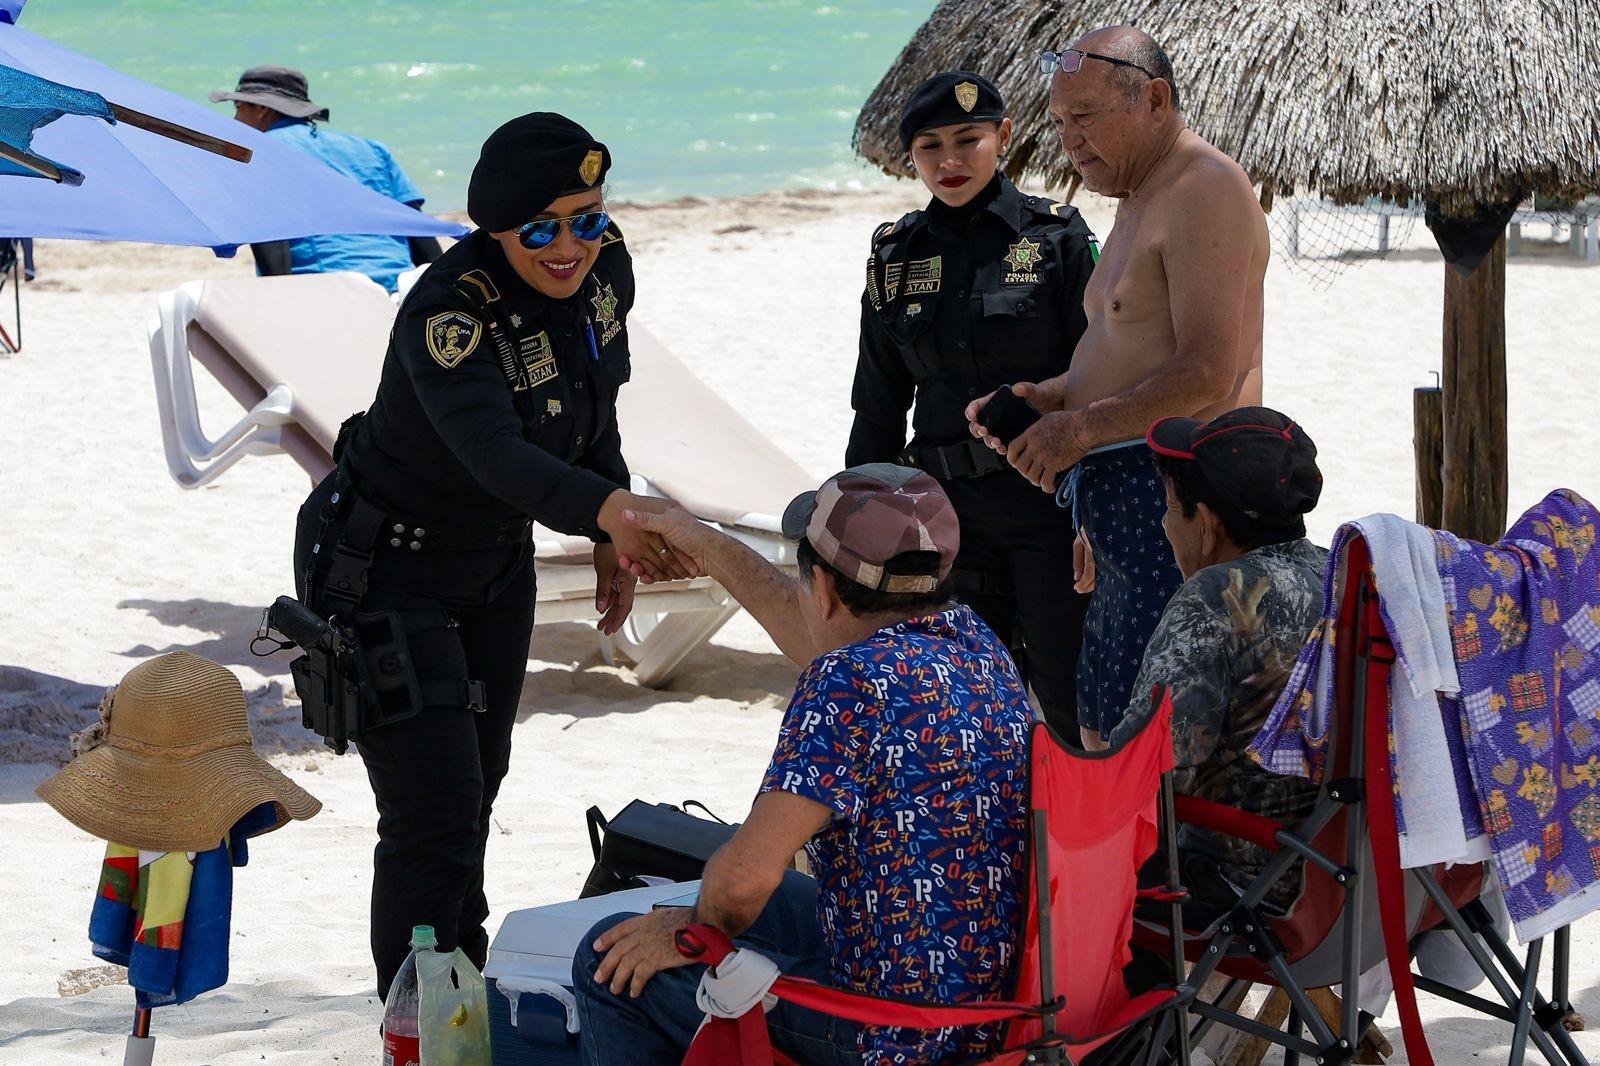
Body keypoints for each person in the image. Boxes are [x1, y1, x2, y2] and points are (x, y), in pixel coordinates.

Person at [290, 112, 691, 998]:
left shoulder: (604, 267)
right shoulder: (446, 313)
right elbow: (494, 453)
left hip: (492, 562)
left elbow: (594, 402)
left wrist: (603, 533)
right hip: (383, 568)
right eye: (540, 229)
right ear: (493, 229)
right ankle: (426, 1022)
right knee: (431, 813)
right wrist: (614, 510)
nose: (570, 246)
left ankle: (457, 990)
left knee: (478, 790)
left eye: (587, 217)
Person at [573, 465, 1033, 1065]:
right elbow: (826, 635)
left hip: (894, 1035)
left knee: (609, 961)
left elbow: (742, 882)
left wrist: (688, 933)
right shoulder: (977, 646)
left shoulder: (846, 682)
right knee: (760, 903)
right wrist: (709, 544)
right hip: (985, 1004)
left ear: (821, 589)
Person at [967, 25, 1270, 750]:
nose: (1069, 140)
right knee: (1104, 721)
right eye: (1060, 122)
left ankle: (1161, 867)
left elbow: (1207, 371)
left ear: (1154, 100)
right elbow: (1136, 349)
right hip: (1119, 493)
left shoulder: (1204, 187)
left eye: (1087, 117)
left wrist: (1077, 431)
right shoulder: (1140, 195)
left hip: (1178, 493)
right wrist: (1054, 394)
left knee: (1154, 739)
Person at [847, 70, 1097, 741]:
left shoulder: (1058, 240)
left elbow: (1100, 382)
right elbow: (877, 407)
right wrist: (851, 527)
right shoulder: (894, 258)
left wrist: (1095, 521)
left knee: (1072, 708)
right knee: (955, 712)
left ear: (1004, 137)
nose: (950, 161)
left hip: (1050, 515)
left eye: (968, 140)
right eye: (930, 147)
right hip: (943, 526)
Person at [1109, 407, 1325, 927]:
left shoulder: (1217, 596)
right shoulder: (1342, 572)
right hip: (1345, 876)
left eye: (1169, 508)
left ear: (1205, 525)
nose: (1164, 524)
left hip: (1248, 883)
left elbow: (1144, 767)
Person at [210, 65, 442, 293]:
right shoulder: (370, 148)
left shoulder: (260, 150)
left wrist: (279, 298)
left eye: (238, 107)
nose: (235, 118)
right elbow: (415, 225)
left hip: (329, 288)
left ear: (262, 109)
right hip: (400, 286)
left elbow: (269, 233)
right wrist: (442, 287)